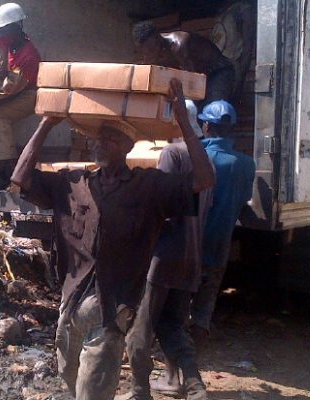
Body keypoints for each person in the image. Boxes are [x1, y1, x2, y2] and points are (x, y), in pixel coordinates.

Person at [10, 79, 215, 400]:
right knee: (68, 376)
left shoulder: (147, 186)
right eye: (98, 137)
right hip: (71, 302)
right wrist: (46, 124)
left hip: (112, 310)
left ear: (127, 147)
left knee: (92, 393)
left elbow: (204, 179)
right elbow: (20, 178)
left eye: (110, 138)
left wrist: (184, 124)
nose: (99, 142)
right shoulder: (72, 182)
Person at [117, 101, 213, 400]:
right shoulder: (203, 160)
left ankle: (139, 392)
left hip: (163, 257)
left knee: (139, 331)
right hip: (190, 256)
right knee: (171, 326)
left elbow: (166, 205)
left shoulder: (172, 153)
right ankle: (196, 387)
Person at [189, 100, 256, 345]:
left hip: (190, 245)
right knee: (205, 303)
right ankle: (195, 350)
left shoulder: (195, 158)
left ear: (206, 126)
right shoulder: (246, 165)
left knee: (178, 301)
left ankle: (175, 354)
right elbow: (244, 199)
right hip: (219, 245)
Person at [0, 2, 41, 191]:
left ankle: (11, 170)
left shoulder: (29, 54)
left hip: (29, 95)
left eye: (4, 29)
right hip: (13, 92)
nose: (1, 34)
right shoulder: (6, 43)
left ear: (16, 26)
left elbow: (11, 88)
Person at [133, 21, 235, 104]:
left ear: (158, 38)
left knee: (213, 112)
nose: (149, 53)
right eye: (146, 51)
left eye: (152, 48)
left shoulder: (179, 45)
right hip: (200, 79)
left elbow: (193, 84)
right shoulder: (152, 55)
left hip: (218, 72)